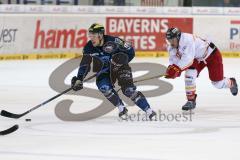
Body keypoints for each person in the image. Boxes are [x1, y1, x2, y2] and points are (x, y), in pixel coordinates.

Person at [71, 23, 156, 120]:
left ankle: (149, 111)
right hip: (104, 71)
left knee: (128, 90)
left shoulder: (114, 41)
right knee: (104, 88)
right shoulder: (88, 47)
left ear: (101, 34)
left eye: (93, 36)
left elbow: (131, 52)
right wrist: (79, 78)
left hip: (120, 68)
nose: (91, 38)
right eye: (90, 36)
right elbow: (84, 65)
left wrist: (121, 61)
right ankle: (121, 108)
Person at [165, 27, 238, 111]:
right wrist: (171, 68)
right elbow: (174, 61)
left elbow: (188, 60)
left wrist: (177, 69)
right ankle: (191, 101)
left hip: (211, 55)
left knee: (218, 83)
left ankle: (231, 82)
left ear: (178, 37)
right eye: (169, 40)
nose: (171, 42)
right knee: (189, 75)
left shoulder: (187, 40)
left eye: (173, 39)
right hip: (197, 58)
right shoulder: (171, 47)